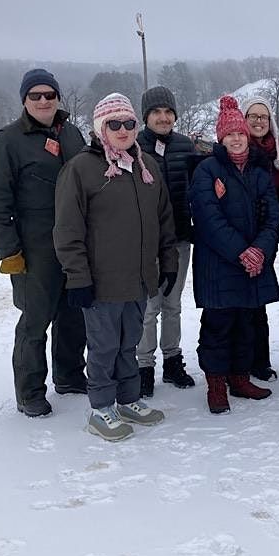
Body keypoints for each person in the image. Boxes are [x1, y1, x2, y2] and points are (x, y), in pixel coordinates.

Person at [53, 93, 178, 442]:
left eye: (128, 123)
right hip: (101, 282)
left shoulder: (146, 166)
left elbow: (164, 220)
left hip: (138, 278)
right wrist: (77, 278)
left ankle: (128, 399)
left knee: (130, 343)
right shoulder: (81, 168)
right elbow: (67, 229)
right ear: (100, 128)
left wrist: (167, 263)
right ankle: (101, 407)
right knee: (104, 346)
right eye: (114, 124)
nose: (123, 130)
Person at [0, 68, 87, 418]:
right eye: (35, 96)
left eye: (49, 95)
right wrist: (9, 252)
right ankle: (29, 392)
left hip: (74, 243)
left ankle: (70, 375)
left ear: (58, 98)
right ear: (24, 100)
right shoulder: (9, 140)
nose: (43, 101)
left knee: (74, 315)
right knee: (35, 320)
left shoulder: (72, 134)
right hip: (34, 246)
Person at [188, 95, 279, 414]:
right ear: (221, 138)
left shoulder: (259, 170)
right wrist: (242, 252)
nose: (237, 138)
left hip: (251, 262)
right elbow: (208, 218)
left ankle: (240, 378)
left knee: (245, 323)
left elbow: (272, 215)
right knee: (218, 324)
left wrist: (260, 250)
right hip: (219, 263)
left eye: (241, 133)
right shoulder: (207, 170)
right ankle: (216, 383)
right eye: (230, 134)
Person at [135, 85, 197, 395]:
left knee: (173, 304)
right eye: (157, 112)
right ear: (146, 116)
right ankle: (144, 366)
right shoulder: (134, 148)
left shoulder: (186, 146)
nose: (163, 117)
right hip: (147, 243)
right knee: (150, 306)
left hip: (180, 239)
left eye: (168, 112)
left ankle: (173, 360)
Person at [243, 95, 279, 381]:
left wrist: (269, 232)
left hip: (266, 234)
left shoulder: (276, 154)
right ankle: (241, 360)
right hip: (239, 236)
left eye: (263, 117)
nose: (258, 122)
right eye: (253, 116)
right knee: (239, 301)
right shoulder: (235, 149)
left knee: (259, 300)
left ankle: (260, 360)